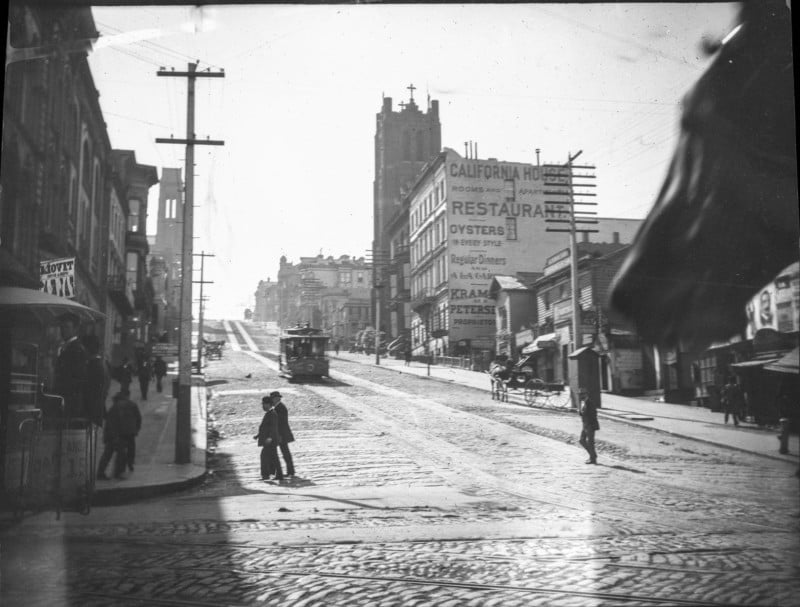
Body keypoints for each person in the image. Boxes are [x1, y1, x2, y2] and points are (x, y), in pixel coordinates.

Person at [97, 392, 140, 479]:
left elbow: (111, 423)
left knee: (108, 454)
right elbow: (138, 418)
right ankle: (119, 472)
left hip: (115, 434)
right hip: (124, 433)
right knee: (122, 453)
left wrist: (111, 436)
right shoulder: (131, 404)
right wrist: (136, 429)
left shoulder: (114, 407)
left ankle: (101, 472)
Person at [54, 312, 88, 419]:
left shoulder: (77, 349)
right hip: (63, 397)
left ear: (75, 329)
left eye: (67, 327)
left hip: (70, 400)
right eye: (62, 327)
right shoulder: (66, 347)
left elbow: (77, 377)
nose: (63, 330)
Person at [82, 334, 109, 427]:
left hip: (91, 414)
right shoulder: (100, 364)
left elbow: (91, 392)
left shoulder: (94, 366)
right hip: (96, 413)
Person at [254, 395, 283, 481]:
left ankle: (267, 475)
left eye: (264, 404)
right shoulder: (270, 413)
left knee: (266, 457)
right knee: (273, 458)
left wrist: (270, 437)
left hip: (270, 440)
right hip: (269, 440)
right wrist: (258, 435)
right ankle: (274, 475)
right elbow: (265, 427)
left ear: (268, 404)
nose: (263, 406)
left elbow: (273, 427)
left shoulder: (272, 414)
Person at [272, 391, 295, 478]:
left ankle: (290, 471)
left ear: (277, 398)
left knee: (285, 453)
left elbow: (281, 423)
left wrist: (279, 435)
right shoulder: (278, 407)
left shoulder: (280, 408)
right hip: (281, 434)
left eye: (273, 399)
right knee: (285, 453)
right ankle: (290, 471)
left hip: (282, 434)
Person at [578, 388, 599, 464]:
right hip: (585, 425)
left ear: (586, 394)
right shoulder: (583, 402)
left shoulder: (590, 402)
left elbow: (593, 414)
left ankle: (593, 458)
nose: (581, 396)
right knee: (582, 440)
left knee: (590, 442)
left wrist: (590, 425)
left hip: (590, 425)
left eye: (582, 394)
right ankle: (593, 455)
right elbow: (582, 413)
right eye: (580, 394)